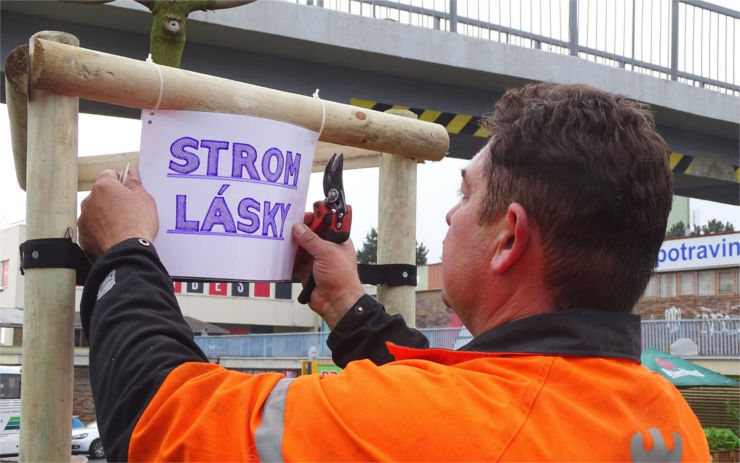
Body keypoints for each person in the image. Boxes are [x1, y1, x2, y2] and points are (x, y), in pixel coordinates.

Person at [78, 82, 710, 462]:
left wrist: (125, 250)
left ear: (509, 236)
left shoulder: (452, 424)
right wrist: (346, 304)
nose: (450, 213)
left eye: (464, 193)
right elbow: (468, 400)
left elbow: (162, 425)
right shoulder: (667, 418)